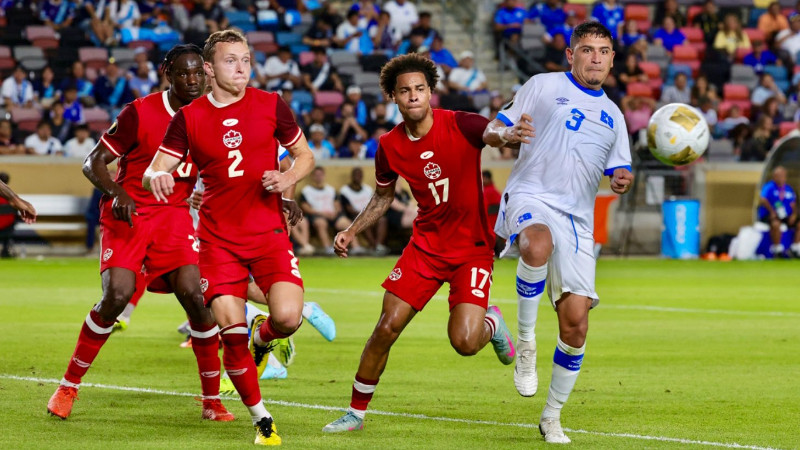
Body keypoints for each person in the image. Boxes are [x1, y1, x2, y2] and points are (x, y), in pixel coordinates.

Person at [321, 53, 519, 434]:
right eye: (405, 91)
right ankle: (355, 413)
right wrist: (352, 230)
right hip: (425, 247)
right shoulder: (389, 145)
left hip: (472, 250)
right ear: (392, 97)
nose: (413, 96)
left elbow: (492, 133)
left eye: (420, 89)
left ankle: (492, 323)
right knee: (386, 327)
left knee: (464, 342)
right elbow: (382, 197)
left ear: (431, 92)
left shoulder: (460, 123)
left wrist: (508, 134)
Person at [46, 44, 235, 424]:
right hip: (128, 213)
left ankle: (212, 401)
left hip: (175, 218)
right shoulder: (140, 111)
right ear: (168, 73)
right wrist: (117, 192)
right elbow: (93, 162)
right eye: (184, 73)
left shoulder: (213, 117)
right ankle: (68, 386)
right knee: (116, 296)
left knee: (198, 301)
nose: (193, 80)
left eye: (198, 73)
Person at [144, 29, 315, 446]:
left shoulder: (272, 105)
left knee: (289, 318)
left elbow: (305, 155)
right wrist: (158, 177)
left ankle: (265, 336)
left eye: (246, 60)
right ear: (209, 68)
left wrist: (287, 177)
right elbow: (153, 169)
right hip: (218, 241)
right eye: (230, 61)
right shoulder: (189, 117)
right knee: (230, 332)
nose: (241, 69)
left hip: (269, 233)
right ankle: (262, 420)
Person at [482, 21, 634, 443]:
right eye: (587, 50)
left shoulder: (615, 116)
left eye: (603, 51)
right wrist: (506, 134)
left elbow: (619, 170)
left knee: (575, 326)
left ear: (612, 59)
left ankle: (551, 416)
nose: (596, 58)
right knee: (537, 245)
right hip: (532, 196)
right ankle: (526, 344)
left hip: (578, 221)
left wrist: (622, 179)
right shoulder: (543, 85)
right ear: (571, 54)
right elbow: (493, 127)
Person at [298, 166, 365, 255]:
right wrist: (322, 213)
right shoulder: (306, 191)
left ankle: (356, 247)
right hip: (317, 215)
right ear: (312, 177)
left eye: (321, 175)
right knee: (321, 223)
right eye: (316, 175)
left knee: (347, 223)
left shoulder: (331, 190)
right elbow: (305, 208)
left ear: (324, 176)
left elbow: (337, 204)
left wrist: (335, 212)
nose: (319, 177)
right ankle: (328, 247)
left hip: (333, 215)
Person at [340, 167, 388, 254]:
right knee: (363, 221)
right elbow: (348, 208)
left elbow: (373, 204)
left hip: (369, 214)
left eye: (360, 175)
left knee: (382, 220)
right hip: (354, 216)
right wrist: (363, 214)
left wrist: (371, 214)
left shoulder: (368, 189)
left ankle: (378, 245)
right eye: (356, 175)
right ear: (352, 176)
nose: (358, 177)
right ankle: (373, 245)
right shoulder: (345, 190)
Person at [757, 166, 800, 257]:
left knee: (798, 224)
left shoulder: (788, 189)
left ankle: (795, 248)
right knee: (776, 224)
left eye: (783, 175)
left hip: (785, 216)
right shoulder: (769, 187)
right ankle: (777, 250)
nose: (781, 178)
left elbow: (793, 204)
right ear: (774, 176)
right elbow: (763, 200)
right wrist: (772, 212)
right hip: (770, 215)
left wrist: (794, 215)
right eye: (779, 175)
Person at [0, 172, 36, 257]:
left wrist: (16, 200)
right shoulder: (6, 197)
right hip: (7, 229)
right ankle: (6, 250)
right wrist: (16, 200)